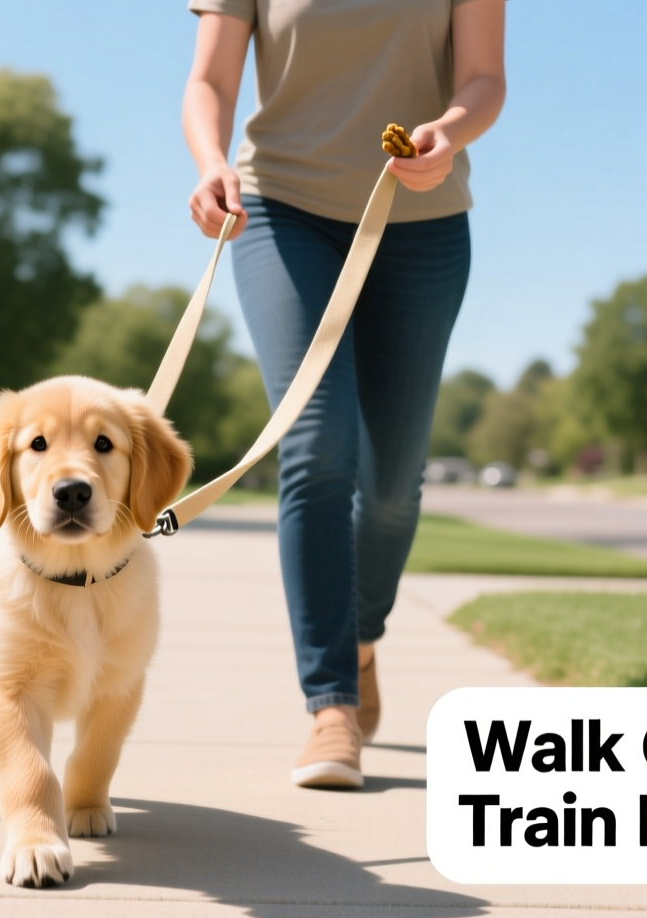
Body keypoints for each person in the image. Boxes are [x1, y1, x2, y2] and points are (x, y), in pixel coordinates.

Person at [182, 0, 506, 788]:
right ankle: (332, 706)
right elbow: (209, 79)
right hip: (281, 212)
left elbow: (484, 78)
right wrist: (211, 161)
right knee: (316, 443)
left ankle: (359, 640)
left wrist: (450, 131)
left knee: (391, 486)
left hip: (421, 219)